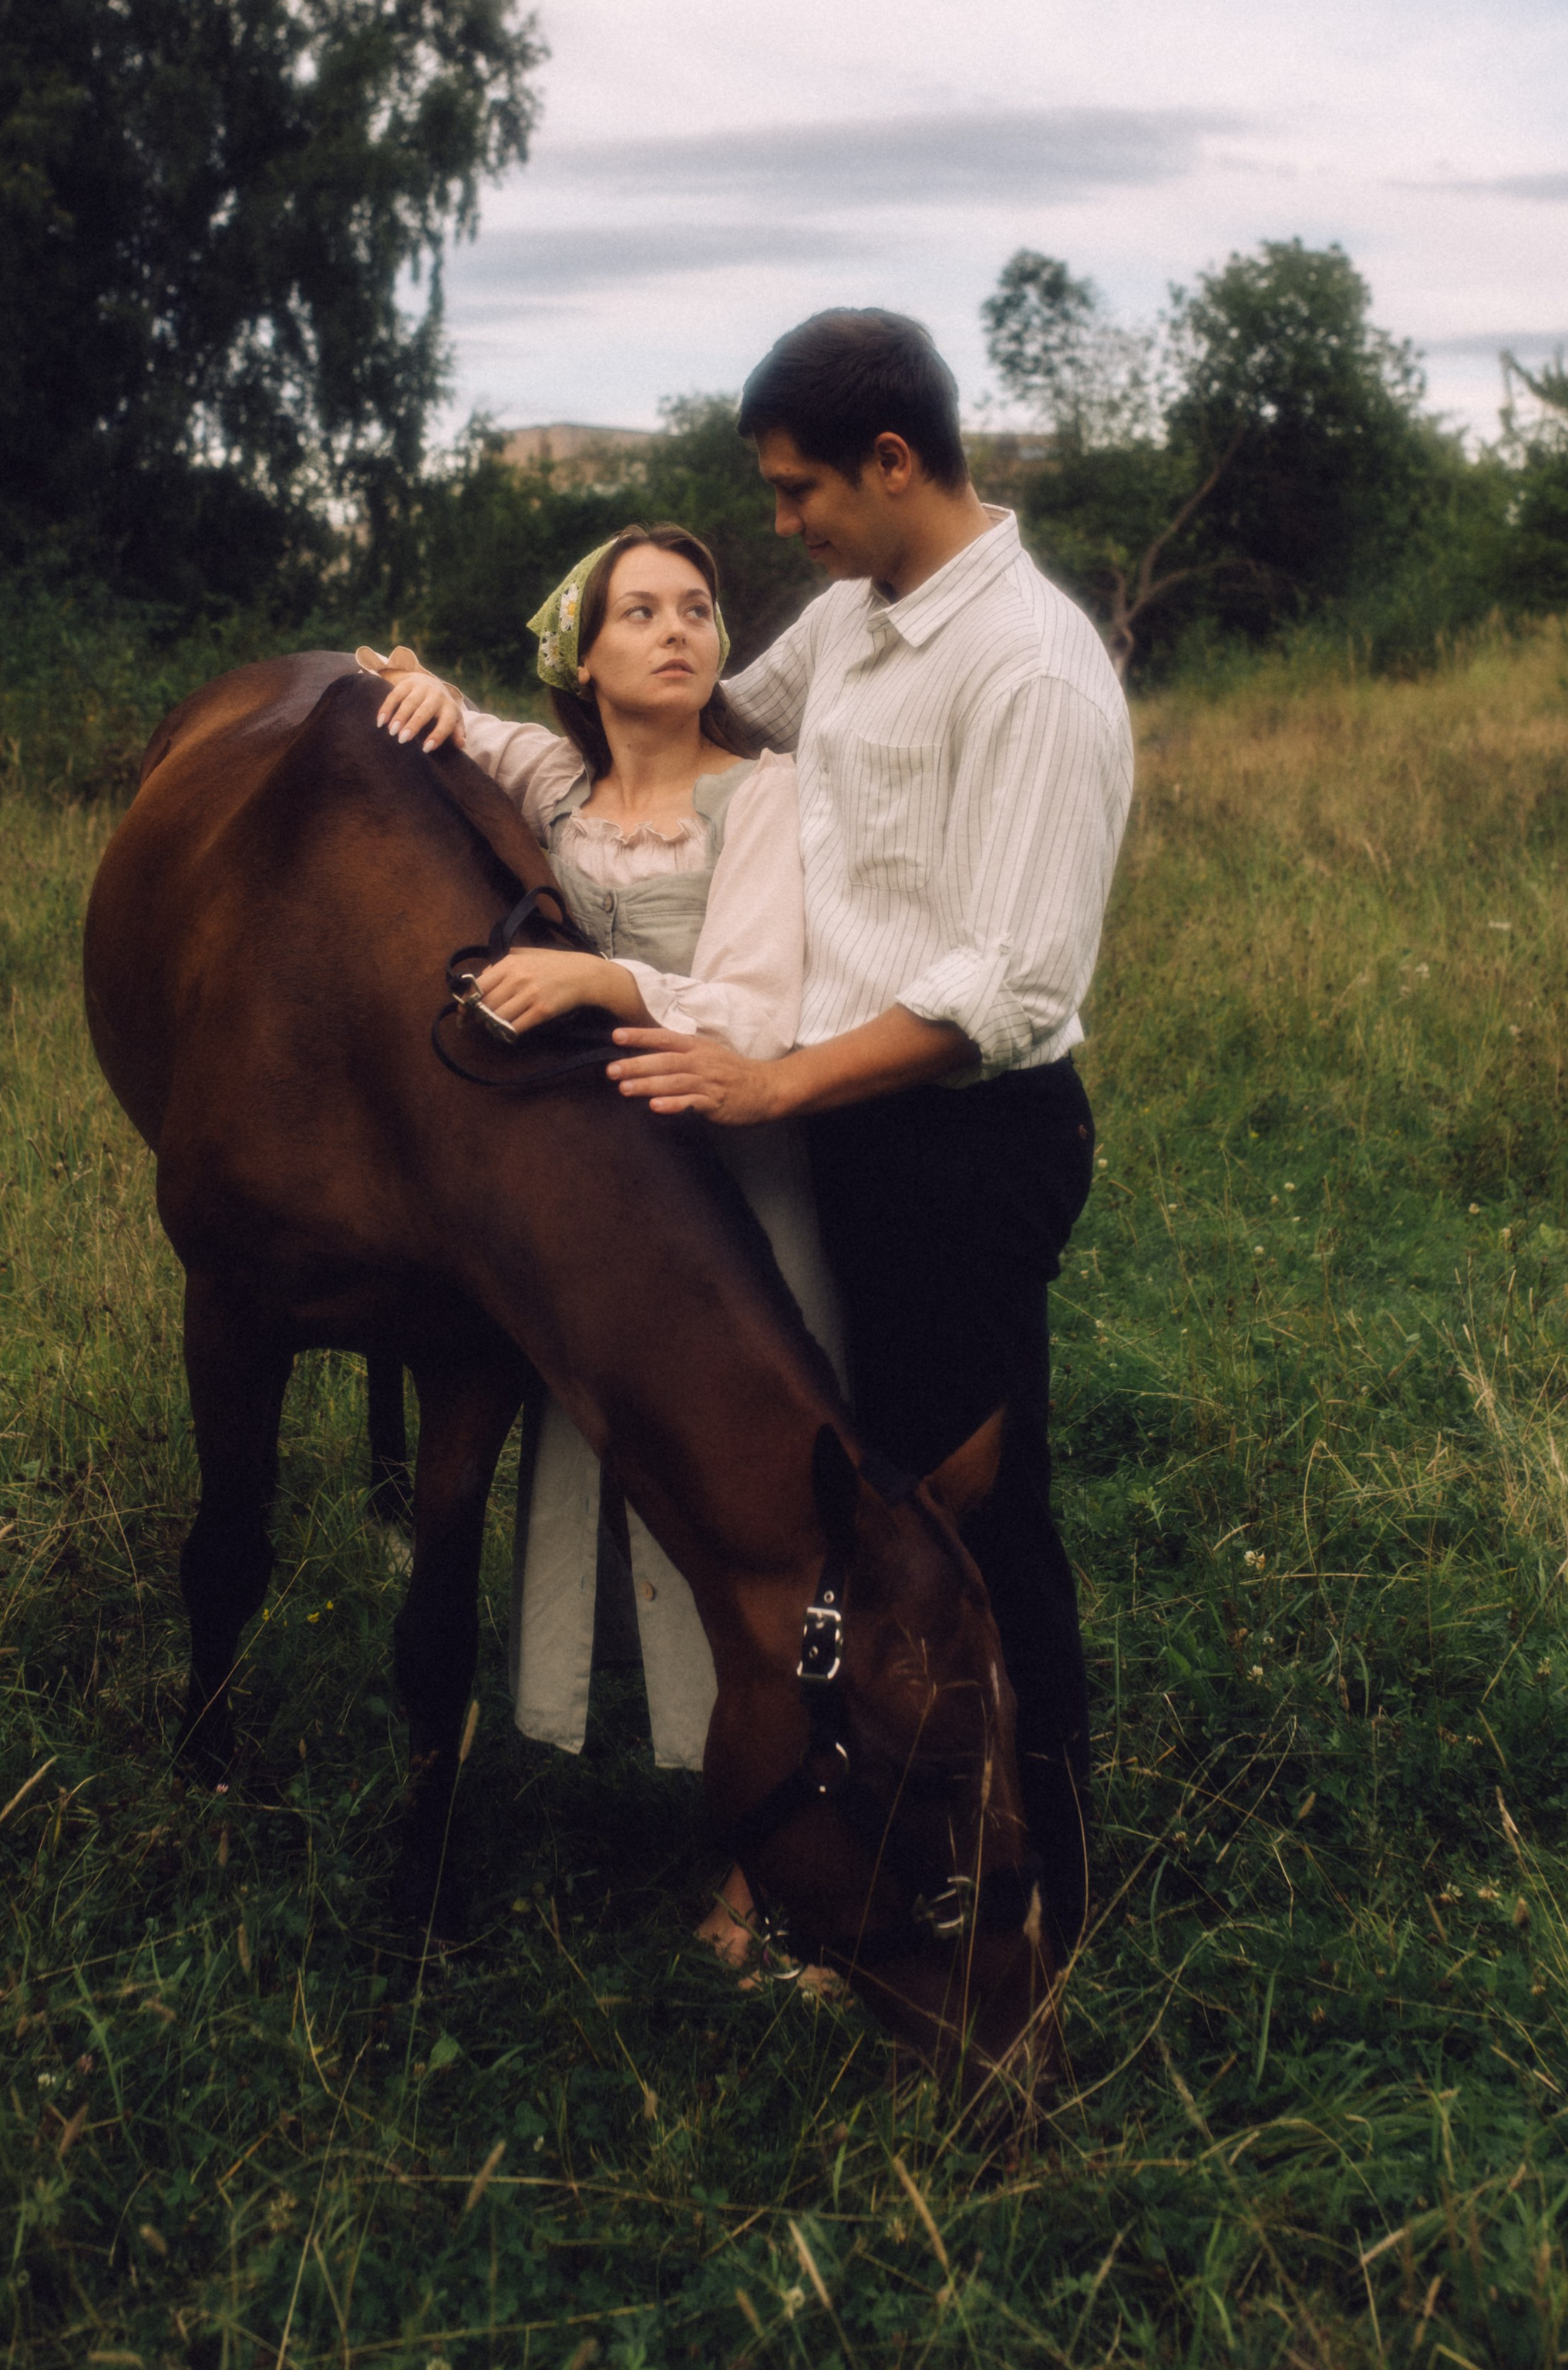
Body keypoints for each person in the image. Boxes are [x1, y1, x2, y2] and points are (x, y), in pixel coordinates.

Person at [600, 311, 1135, 1945]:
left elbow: (1013, 984)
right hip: (852, 1132)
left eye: (796, 490)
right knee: (861, 1507)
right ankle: (864, 1831)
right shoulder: (851, 619)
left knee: (972, 1526)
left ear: (891, 462)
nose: (780, 525)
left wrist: (774, 1083)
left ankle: (1046, 1882)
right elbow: (711, 719)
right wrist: (494, 731)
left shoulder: (1031, 668)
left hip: (967, 1144)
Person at [355, 522, 846, 1966]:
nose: (680, 631)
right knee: (633, 1462)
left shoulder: (762, 795)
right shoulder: (561, 786)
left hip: (743, 1186)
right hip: (608, 1215)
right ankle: (684, 1765)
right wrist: (426, 691)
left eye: (699, 608)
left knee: (768, 1498)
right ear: (585, 661)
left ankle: (782, 1857)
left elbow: (757, 1003)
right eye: (641, 612)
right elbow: (476, 729)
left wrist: (594, 978)